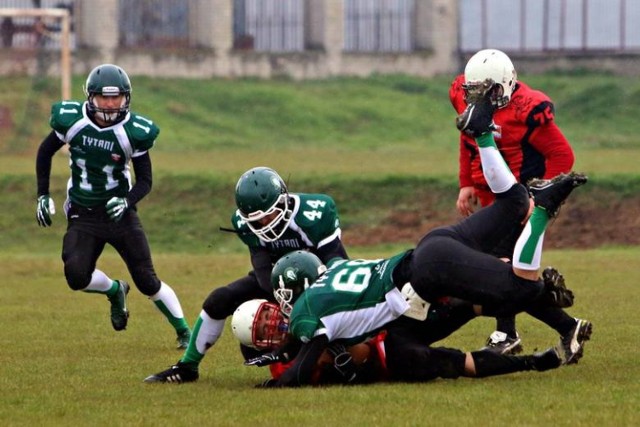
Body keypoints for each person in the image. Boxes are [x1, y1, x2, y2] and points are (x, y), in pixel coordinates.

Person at [257, 93, 591, 387]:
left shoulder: (311, 315)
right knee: (515, 202)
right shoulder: (331, 277)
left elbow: (298, 372)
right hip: (429, 252)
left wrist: (274, 373)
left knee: (521, 287)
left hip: (428, 273)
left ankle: (542, 211)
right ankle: (483, 133)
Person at [143, 166, 349, 383]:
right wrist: (283, 305)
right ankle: (187, 367)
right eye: (256, 220)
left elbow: (337, 264)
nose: (264, 224)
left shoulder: (314, 213)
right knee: (219, 300)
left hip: (319, 281)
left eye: (267, 215)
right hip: (277, 281)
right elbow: (262, 271)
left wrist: (308, 307)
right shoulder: (245, 224)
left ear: (282, 201)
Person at [35, 63, 191, 349]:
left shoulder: (133, 131)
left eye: (115, 97)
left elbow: (145, 180)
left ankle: (184, 331)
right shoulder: (72, 121)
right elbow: (45, 152)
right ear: (90, 97)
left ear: (125, 97)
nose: (109, 103)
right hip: (83, 212)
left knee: (147, 280)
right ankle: (115, 290)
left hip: (119, 213)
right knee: (76, 276)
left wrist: (127, 201)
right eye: (103, 97)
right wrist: (43, 194)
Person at [450, 48, 576, 354]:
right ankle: (565, 323)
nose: (478, 96)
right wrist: (466, 182)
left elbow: (562, 156)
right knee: (506, 270)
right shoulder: (462, 96)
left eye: (486, 89)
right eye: (474, 89)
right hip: (492, 197)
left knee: (500, 268)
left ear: (504, 84)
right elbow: (469, 139)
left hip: (521, 200)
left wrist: (538, 200)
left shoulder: (526, 110)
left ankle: (508, 335)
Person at [233, 298, 564, 387]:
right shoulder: (283, 367)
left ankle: (532, 294)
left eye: (268, 314)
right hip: (389, 356)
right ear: (258, 345)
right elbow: (332, 367)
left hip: (391, 325)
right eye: (264, 328)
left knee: (464, 305)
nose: (274, 323)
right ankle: (532, 362)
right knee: (455, 362)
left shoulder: (303, 310)